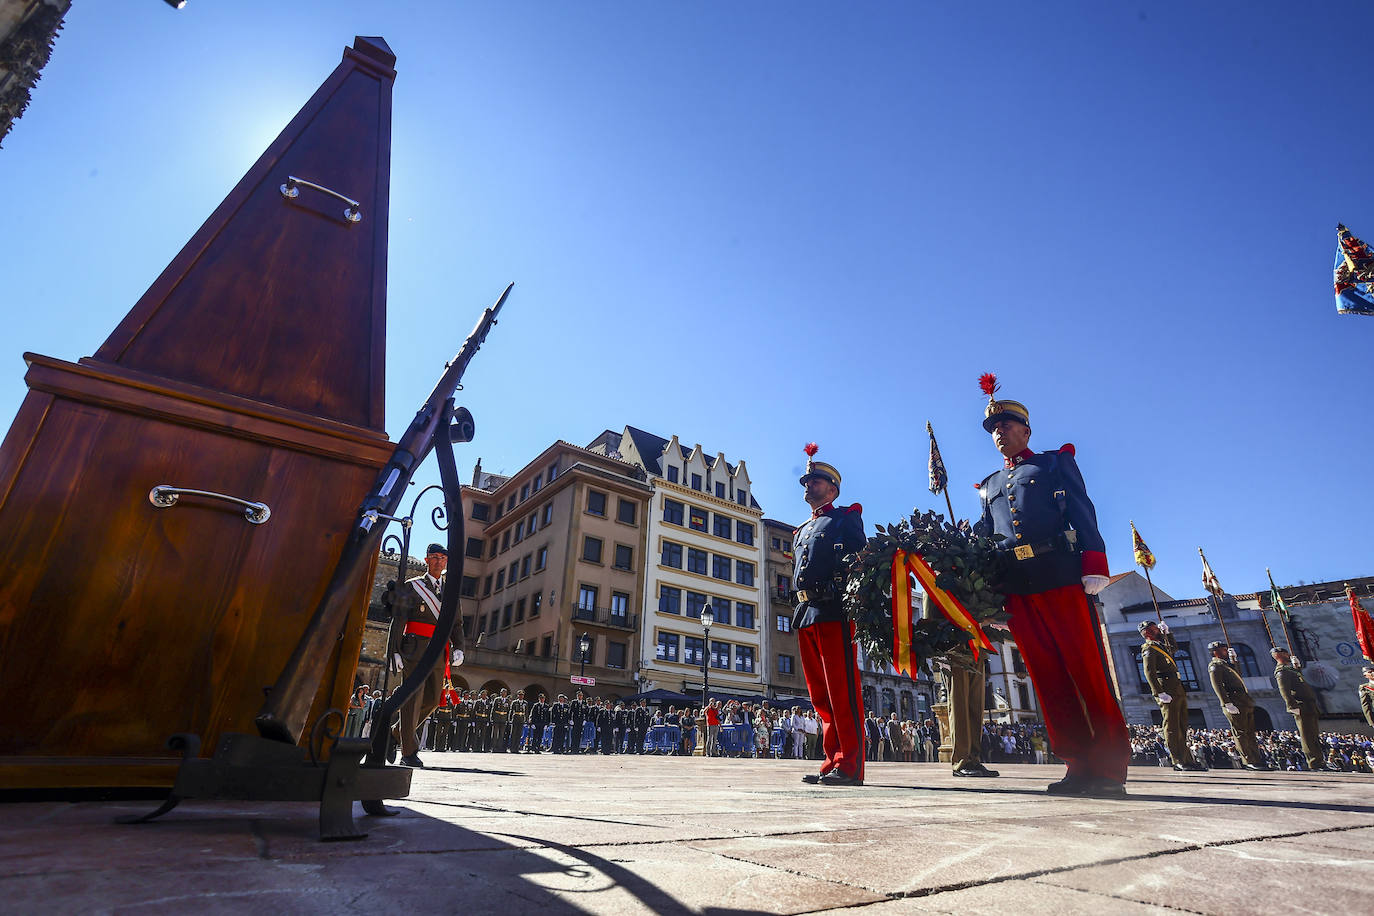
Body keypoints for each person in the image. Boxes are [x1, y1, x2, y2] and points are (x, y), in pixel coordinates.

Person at [972, 379, 1129, 797]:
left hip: (1059, 574)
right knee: (1047, 679)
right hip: (1018, 590)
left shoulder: (1052, 464)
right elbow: (987, 541)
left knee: (1086, 670)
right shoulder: (987, 487)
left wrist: (1094, 561)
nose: (999, 433)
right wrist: (986, 593)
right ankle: (1077, 763)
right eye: (993, 429)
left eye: (1006, 425)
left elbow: (1083, 510)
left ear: (1025, 429)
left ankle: (1110, 768)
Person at [793, 444, 867, 787]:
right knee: (820, 695)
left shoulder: (844, 518)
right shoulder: (801, 531)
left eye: (816, 481)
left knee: (841, 691)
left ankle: (850, 763)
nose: (808, 485)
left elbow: (859, 562)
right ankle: (831, 758)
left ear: (832, 488)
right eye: (807, 481)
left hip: (834, 608)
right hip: (806, 611)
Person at [387, 543, 462, 768]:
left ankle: (395, 734)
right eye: (434, 557)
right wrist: (394, 651)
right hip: (414, 649)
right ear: (427, 560)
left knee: (432, 699)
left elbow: (456, 623)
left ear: (446, 562)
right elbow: (399, 619)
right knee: (412, 699)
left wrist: (459, 647)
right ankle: (409, 753)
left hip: (439, 652)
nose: (439, 561)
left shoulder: (450, 591)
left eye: (442, 558)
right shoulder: (412, 587)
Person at [1139, 620, 1204, 771]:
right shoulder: (1149, 648)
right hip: (1166, 689)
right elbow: (1149, 672)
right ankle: (1178, 760)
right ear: (1148, 633)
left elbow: (1173, 648)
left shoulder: (1160, 646)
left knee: (1182, 725)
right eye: (1155, 629)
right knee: (1172, 726)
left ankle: (1188, 759)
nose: (1158, 631)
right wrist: (1159, 692)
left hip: (1176, 687)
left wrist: (1168, 633)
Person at [1206, 641, 1268, 770]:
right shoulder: (1215, 666)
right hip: (1233, 701)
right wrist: (1227, 703)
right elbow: (1217, 686)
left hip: (1243, 700)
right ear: (1215, 652)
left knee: (1250, 732)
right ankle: (1248, 760)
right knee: (1240, 733)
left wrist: (1234, 661)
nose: (1226, 651)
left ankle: (1256, 759)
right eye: (1223, 650)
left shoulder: (1226, 664)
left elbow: (1238, 675)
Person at [1272, 648, 1331, 771]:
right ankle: (1314, 763)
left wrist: (1297, 667)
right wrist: (1292, 706)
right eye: (1286, 653)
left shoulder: (1290, 669)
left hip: (1308, 704)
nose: (1289, 654)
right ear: (1280, 655)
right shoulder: (1281, 671)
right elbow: (1284, 690)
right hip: (1301, 705)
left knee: (1313, 735)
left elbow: (1300, 682)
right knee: (1307, 736)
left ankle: (1319, 761)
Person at [508, 689, 528, 754]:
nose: (521, 696)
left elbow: (526, 712)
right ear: (517, 696)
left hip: (521, 719)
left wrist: (526, 720)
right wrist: (510, 719)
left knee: (519, 734)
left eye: (522, 695)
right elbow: (511, 711)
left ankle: (516, 748)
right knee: (513, 734)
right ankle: (512, 748)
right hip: (515, 718)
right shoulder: (514, 702)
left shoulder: (525, 703)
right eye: (520, 695)